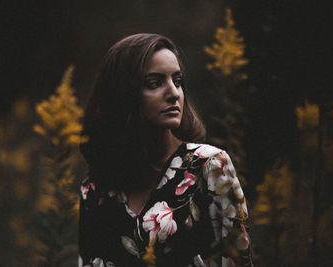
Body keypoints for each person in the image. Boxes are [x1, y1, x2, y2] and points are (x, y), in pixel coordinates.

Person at [78, 33, 253, 267]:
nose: (173, 93)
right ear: (123, 95)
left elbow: (238, 260)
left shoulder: (210, 166)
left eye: (177, 81)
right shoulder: (95, 191)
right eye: (154, 83)